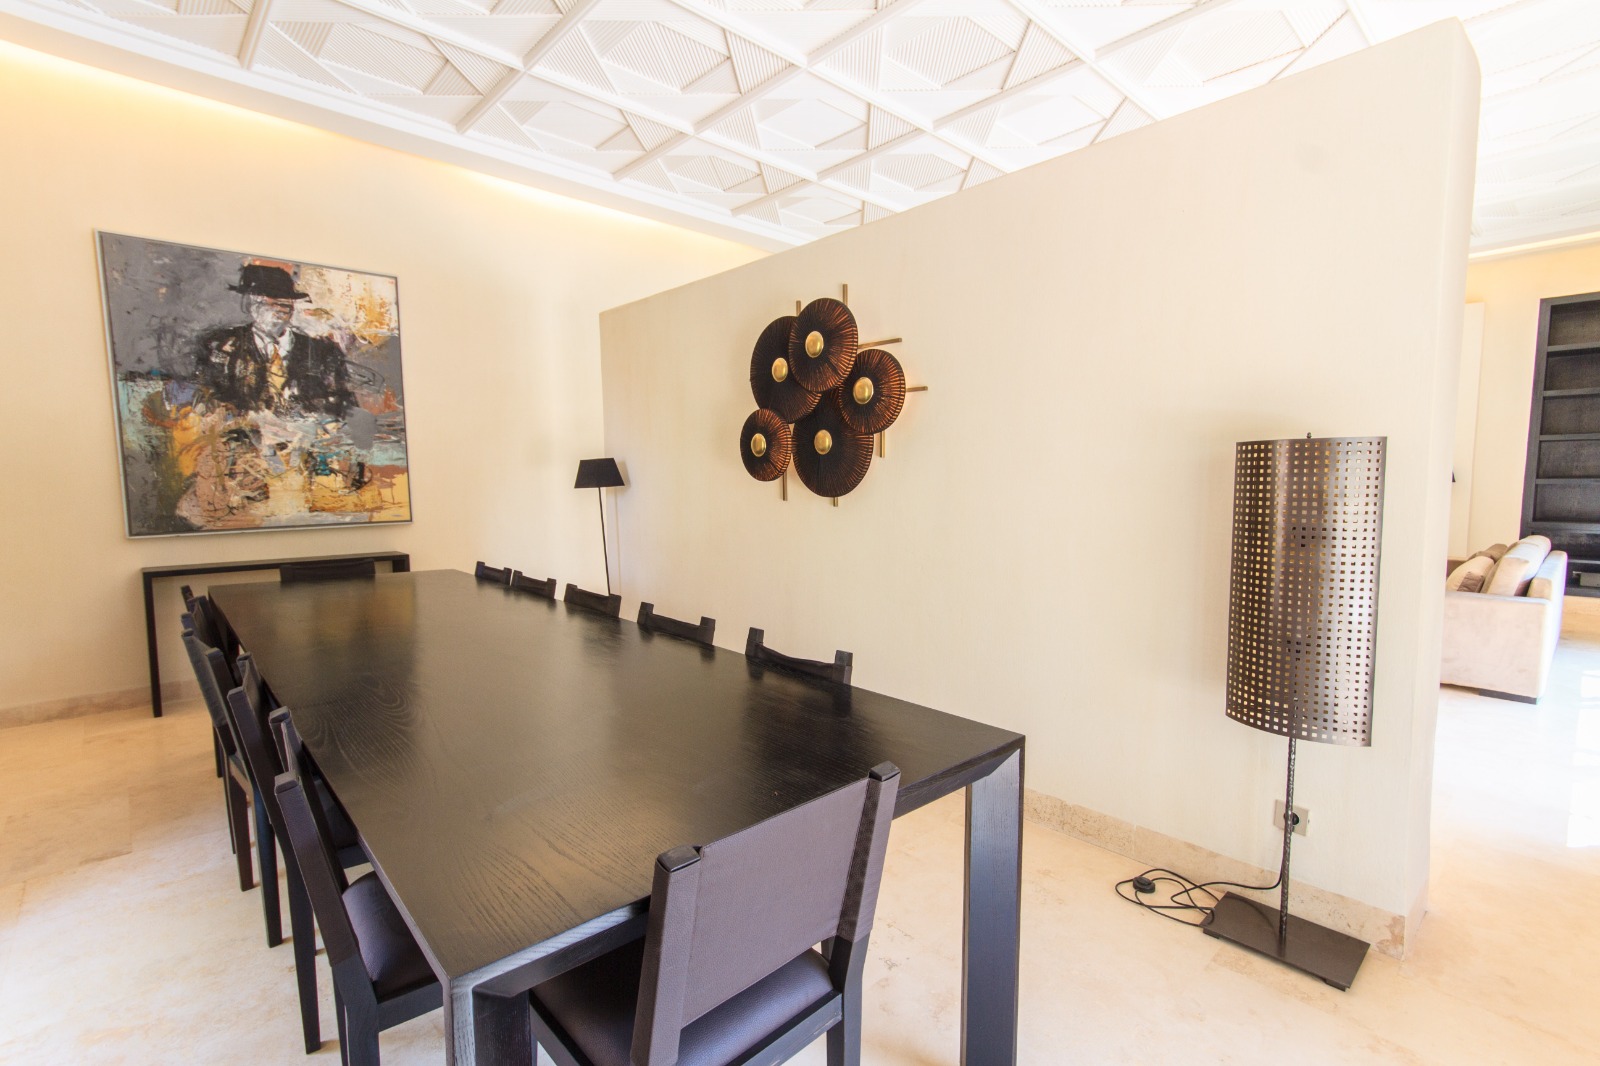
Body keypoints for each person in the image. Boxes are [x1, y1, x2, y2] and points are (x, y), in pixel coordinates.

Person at [193, 264, 353, 418]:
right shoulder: (219, 345)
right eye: (267, 300)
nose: (278, 309)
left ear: (292, 305)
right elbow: (206, 400)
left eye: (284, 301)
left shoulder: (323, 352)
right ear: (250, 303)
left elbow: (343, 408)